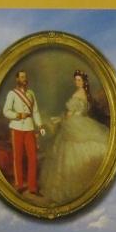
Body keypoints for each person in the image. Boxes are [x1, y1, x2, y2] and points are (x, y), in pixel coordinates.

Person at [40, 70, 109, 204]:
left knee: (69, 148)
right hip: (80, 120)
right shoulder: (86, 94)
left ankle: (67, 188)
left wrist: (63, 118)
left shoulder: (79, 94)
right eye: (76, 80)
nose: (77, 82)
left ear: (84, 82)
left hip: (75, 122)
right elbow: (80, 111)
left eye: (79, 80)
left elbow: (71, 113)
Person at [2, 69, 45, 195]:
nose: (24, 79)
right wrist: (18, 115)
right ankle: (19, 185)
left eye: (25, 77)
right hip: (17, 128)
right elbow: (6, 111)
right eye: (21, 77)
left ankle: (32, 187)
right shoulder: (12, 94)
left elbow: (35, 111)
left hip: (29, 128)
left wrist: (40, 126)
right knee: (18, 157)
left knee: (33, 157)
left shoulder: (31, 93)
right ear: (17, 79)